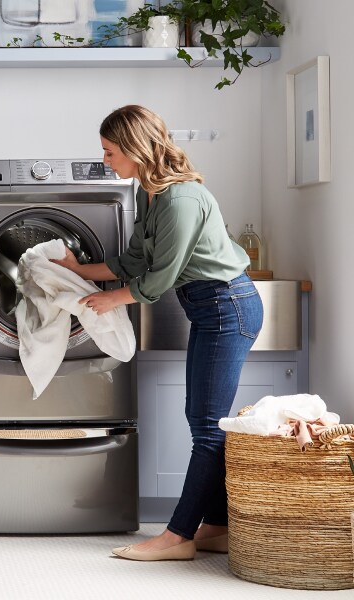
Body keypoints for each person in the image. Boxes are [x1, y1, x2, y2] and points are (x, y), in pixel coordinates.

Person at [51, 104, 263, 561]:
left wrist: (113, 299)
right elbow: (133, 262)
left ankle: (177, 537)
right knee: (204, 422)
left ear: (135, 149)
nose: (105, 160)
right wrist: (78, 269)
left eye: (110, 152)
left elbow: (161, 277)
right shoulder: (149, 193)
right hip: (209, 308)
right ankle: (218, 526)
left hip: (227, 306)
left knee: (206, 428)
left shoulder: (182, 200)